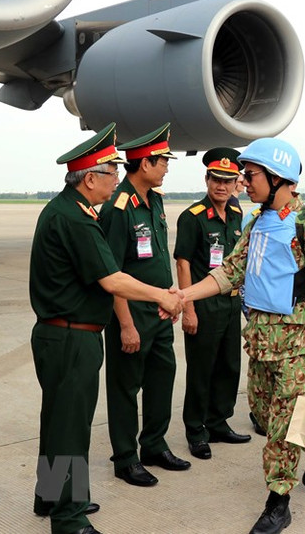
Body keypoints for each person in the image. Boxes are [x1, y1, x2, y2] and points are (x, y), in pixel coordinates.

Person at [178, 138, 305, 534]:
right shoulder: (254, 223)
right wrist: (184, 295)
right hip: (261, 341)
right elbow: (228, 273)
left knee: (284, 432)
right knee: (269, 419)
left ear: (276, 178)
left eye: (249, 176)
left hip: (298, 344)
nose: (243, 183)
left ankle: (278, 503)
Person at [29, 124, 183, 534]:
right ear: (91, 178)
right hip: (70, 336)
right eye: (111, 173)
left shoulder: (67, 210)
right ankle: (69, 517)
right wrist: (162, 296)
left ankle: (50, 497)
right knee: (71, 428)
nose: (116, 180)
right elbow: (114, 279)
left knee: (57, 422)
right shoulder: (76, 219)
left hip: (62, 333)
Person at [98, 124, 190, 488]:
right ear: (144, 163)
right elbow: (113, 273)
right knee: (124, 387)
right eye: (162, 161)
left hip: (159, 311)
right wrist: (125, 324)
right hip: (132, 313)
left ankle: (154, 444)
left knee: (161, 379)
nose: (167, 167)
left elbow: (157, 259)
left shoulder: (155, 200)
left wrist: (170, 296)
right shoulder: (119, 208)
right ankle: (125, 457)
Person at [174, 147, 251, 462]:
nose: (221, 186)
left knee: (229, 366)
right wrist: (188, 308)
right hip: (203, 305)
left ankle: (219, 422)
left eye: (228, 180)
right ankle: (196, 430)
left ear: (236, 184)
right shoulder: (192, 217)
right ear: (206, 179)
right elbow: (182, 263)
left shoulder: (235, 215)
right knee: (201, 369)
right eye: (215, 179)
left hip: (231, 304)